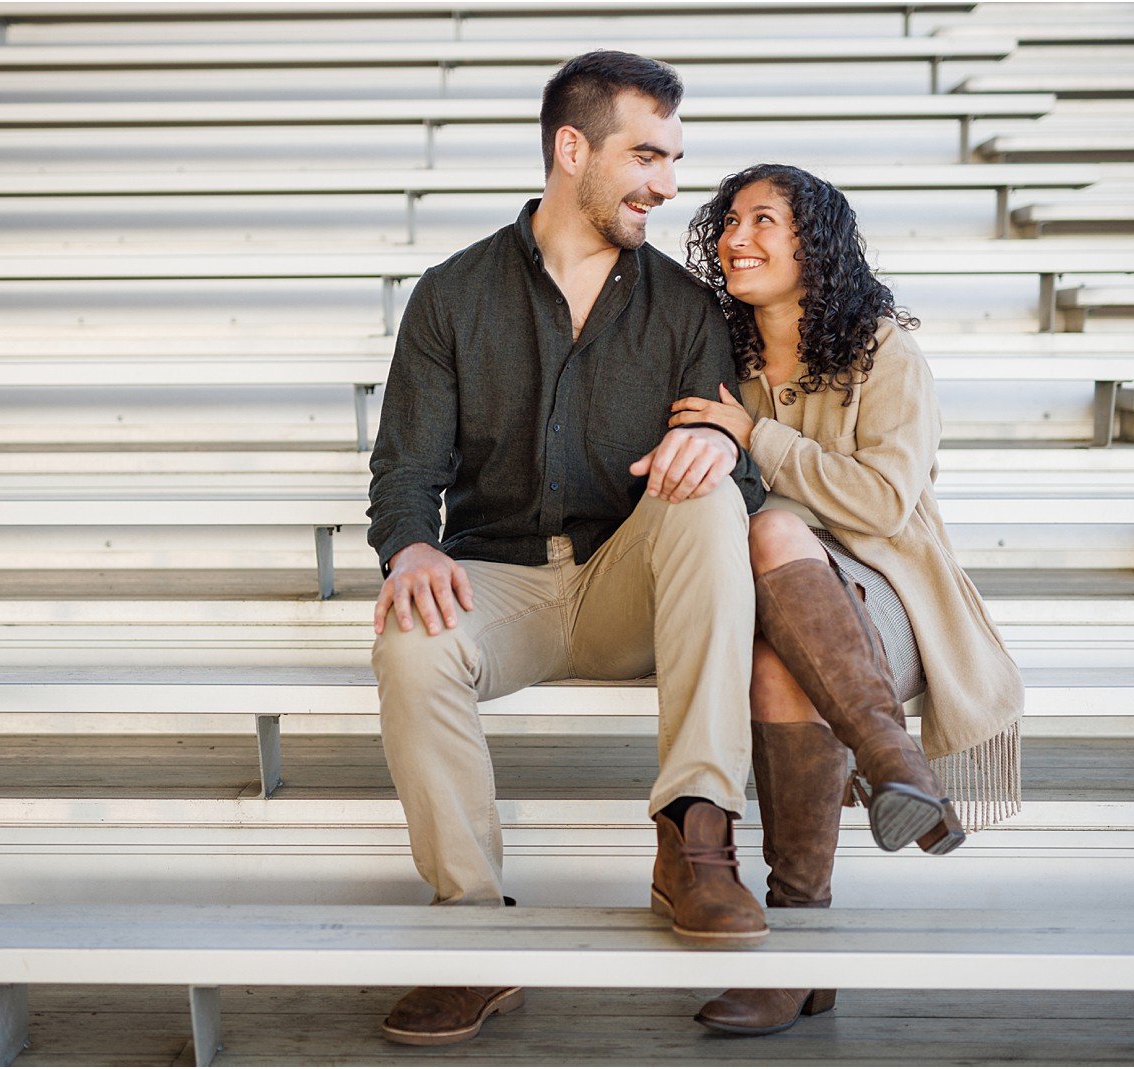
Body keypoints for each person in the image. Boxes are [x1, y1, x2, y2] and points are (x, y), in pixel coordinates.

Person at [367, 52, 772, 1047]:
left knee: (709, 490)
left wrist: (720, 439)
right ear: (569, 149)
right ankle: (471, 930)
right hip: (498, 578)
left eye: (675, 158)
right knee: (409, 642)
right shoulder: (451, 296)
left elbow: (746, 484)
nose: (668, 184)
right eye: (646, 155)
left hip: (627, 584)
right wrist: (410, 547)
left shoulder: (684, 309)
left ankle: (698, 837)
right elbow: (404, 469)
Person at [667, 163, 1026, 1036]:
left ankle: (885, 760)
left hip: (892, 601)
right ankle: (809, 937)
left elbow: (878, 503)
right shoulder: (721, 352)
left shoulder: (882, 352)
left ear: (814, 244)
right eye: (728, 221)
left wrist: (757, 436)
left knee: (775, 531)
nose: (735, 238)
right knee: (771, 662)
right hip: (780, 617)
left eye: (763, 221)